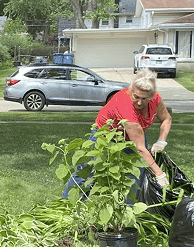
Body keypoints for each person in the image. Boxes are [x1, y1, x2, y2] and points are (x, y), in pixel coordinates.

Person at [62, 68, 172, 198]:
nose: (140, 102)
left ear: (152, 96)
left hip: (134, 136)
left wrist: (161, 141)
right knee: (87, 172)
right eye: (136, 96)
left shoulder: (155, 99)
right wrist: (160, 174)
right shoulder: (125, 104)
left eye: (144, 98)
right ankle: (69, 206)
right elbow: (140, 149)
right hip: (105, 135)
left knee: (136, 173)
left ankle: (128, 211)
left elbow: (166, 119)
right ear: (131, 90)